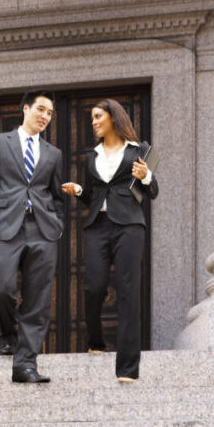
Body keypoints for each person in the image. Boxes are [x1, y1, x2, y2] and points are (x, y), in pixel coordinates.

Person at [61, 99, 157, 382]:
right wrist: (80, 191)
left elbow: (152, 191)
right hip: (97, 227)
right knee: (94, 287)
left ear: (113, 118)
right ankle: (96, 340)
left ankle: (127, 368)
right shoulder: (92, 156)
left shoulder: (138, 151)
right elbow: (93, 196)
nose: (93, 122)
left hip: (129, 226)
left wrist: (146, 176)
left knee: (128, 293)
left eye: (98, 116)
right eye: (91, 117)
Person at [0, 90, 65, 383]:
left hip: (43, 230)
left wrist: (57, 223)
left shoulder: (54, 154)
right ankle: (7, 333)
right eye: (40, 109)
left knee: (37, 300)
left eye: (49, 113)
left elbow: (55, 195)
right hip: (6, 226)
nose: (44, 116)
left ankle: (25, 364)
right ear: (25, 109)